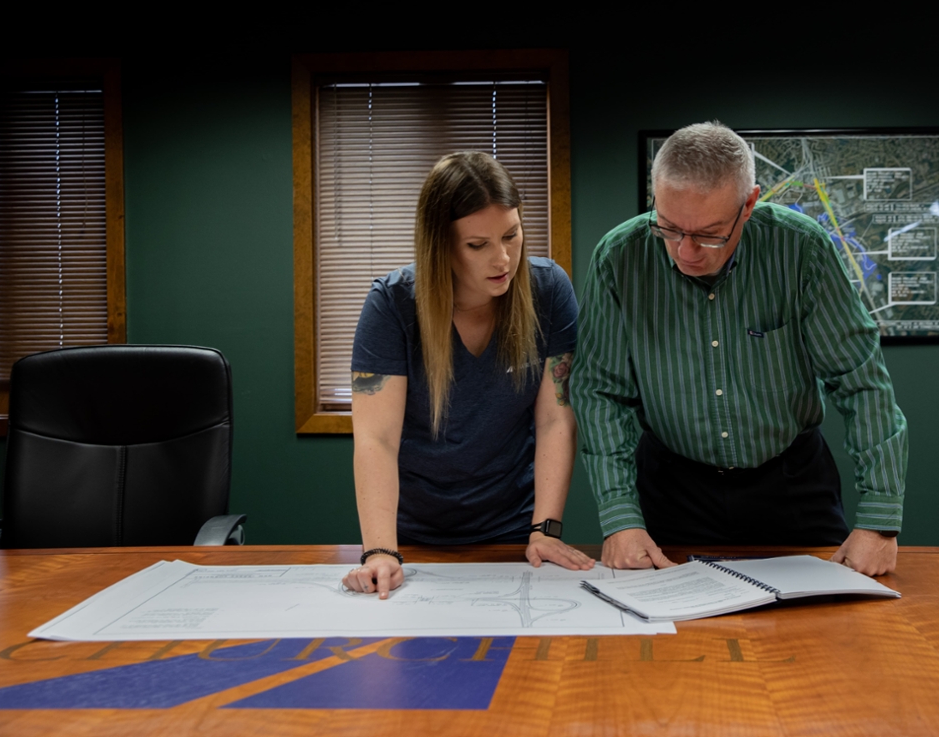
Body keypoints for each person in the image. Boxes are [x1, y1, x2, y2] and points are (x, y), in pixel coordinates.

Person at [570, 122, 908, 577]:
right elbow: (599, 393)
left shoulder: (800, 249)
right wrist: (619, 518)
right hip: (672, 488)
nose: (686, 252)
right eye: (668, 228)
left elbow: (860, 381)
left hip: (791, 485)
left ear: (748, 204)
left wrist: (879, 522)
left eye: (710, 234)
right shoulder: (619, 258)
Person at [343, 152, 595, 598]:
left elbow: (555, 417)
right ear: (441, 246)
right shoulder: (391, 305)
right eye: (478, 245)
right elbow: (376, 439)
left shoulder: (549, 290)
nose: (503, 259)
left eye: (511, 236)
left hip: (515, 534)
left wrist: (547, 529)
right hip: (410, 536)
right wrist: (380, 550)